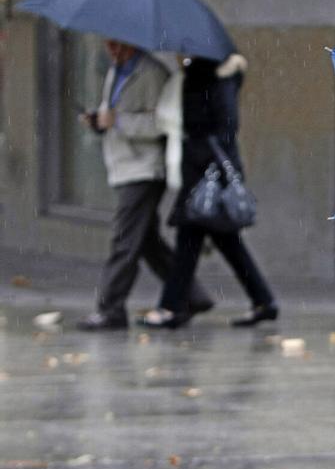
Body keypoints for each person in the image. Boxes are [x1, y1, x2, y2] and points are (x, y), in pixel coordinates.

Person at [76, 40, 213, 331]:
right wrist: (100, 121)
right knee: (147, 241)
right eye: (108, 44)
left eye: (118, 45)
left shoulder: (152, 73)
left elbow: (159, 124)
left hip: (145, 168)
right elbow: (116, 112)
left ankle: (111, 309)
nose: (112, 50)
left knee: (124, 239)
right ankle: (192, 295)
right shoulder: (116, 70)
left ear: (131, 43)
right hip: (123, 165)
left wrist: (118, 122)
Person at [138, 53, 278, 329]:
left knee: (189, 241)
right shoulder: (201, 76)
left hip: (207, 174)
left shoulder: (213, 78)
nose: (178, 55)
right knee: (225, 243)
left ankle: (171, 307)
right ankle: (263, 301)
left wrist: (206, 161)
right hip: (204, 171)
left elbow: (225, 127)